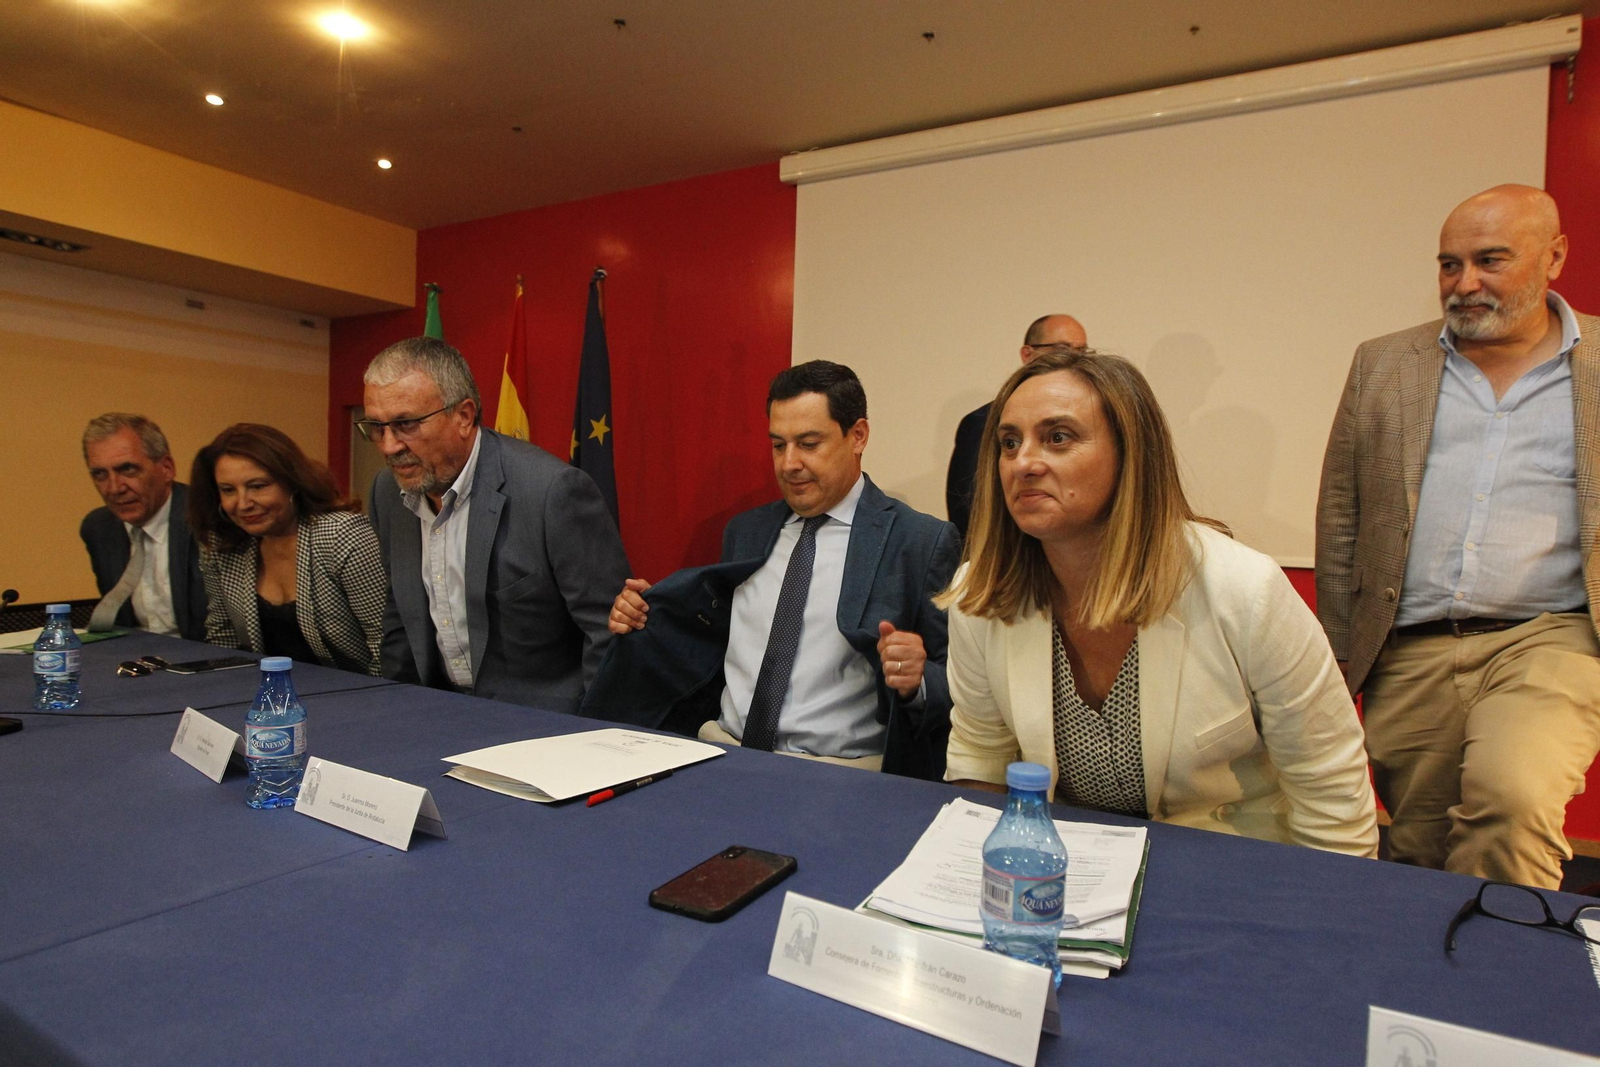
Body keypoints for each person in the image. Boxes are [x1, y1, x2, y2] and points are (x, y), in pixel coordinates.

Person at [943, 348, 1377, 856]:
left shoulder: (1244, 588)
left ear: (1131, 454)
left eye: (1058, 437)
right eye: (1009, 443)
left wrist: (1323, 903)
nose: (1023, 463)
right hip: (1069, 870)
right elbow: (981, 759)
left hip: (1235, 867)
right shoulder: (980, 593)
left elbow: (1330, 791)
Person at [1316, 184, 1600, 889]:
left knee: (1513, 800)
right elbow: (1343, 515)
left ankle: (1506, 960)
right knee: (1421, 850)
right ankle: (1441, 962)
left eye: (1490, 260)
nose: (1464, 282)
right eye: (1450, 264)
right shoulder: (1383, 364)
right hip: (1411, 646)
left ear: (1553, 257)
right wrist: (1339, 657)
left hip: (1549, 637)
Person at [593, 360, 961, 779]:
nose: (789, 464)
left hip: (840, 776)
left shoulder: (919, 541)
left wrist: (918, 680)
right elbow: (702, 646)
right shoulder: (745, 531)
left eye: (809, 443)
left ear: (858, 436)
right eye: (778, 445)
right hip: (720, 756)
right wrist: (643, 614)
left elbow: (963, 686)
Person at [363, 336, 629, 710]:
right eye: (376, 427)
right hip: (436, 711)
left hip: (544, 722)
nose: (389, 446)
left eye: (406, 424)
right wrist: (396, 711)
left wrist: (589, 730)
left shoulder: (552, 492)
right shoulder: (387, 492)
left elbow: (608, 631)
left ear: (463, 416)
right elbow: (401, 617)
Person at [187, 424, 386, 675]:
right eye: (228, 490)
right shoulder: (222, 544)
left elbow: (385, 645)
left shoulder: (342, 535)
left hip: (361, 688)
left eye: (258, 486)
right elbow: (224, 641)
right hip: (269, 691)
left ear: (292, 482)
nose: (243, 503)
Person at [946, 315, 1088, 537]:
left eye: (1082, 351)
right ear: (1027, 355)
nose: (1074, 359)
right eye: (1010, 443)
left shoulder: (1092, 414)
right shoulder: (983, 422)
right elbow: (967, 512)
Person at [79, 413, 207, 639]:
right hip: (134, 653)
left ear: (166, 468)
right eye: (100, 474)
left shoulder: (205, 519)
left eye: (127, 469)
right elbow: (119, 623)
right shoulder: (99, 528)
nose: (114, 488)